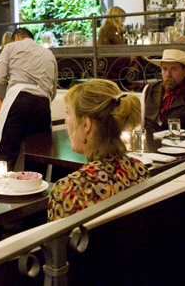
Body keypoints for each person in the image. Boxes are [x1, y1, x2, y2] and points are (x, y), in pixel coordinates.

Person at [48, 80, 150, 221]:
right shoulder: (138, 169)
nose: (66, 121)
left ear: (86, 124)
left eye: (69, 114)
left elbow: (57, 242)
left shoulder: (71, 189)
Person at [0, 27, 57, 169]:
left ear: (16, 37)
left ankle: (0, 188)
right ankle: (37, 189)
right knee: (38, 156)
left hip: (18, 99)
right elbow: (52, 90)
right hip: (42, 104)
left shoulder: (11, 47)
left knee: (6, 155)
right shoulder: (49, 54)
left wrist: (6, 100)